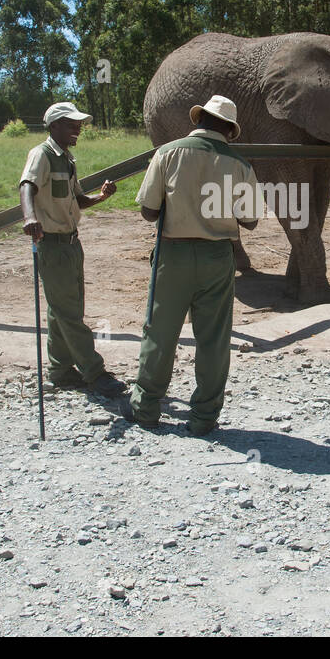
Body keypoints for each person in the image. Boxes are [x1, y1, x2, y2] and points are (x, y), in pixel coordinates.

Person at [126, 95, 260, 435]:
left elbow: (148, 211)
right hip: (217, 257)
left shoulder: (168, 153)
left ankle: (146, 408)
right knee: (214, 339)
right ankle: (203, 418)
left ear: (199, 119)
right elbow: (250, 221)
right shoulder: (241, 165)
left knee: (159, 332)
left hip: (173, 255)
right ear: (229, 129)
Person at [20, 102, 127, 398]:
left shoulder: (66, 159)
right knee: (68, 312)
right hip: (51, 246)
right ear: (54, 126)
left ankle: (60, 370)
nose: (77, 128)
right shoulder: (41, 155)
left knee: (62, 311)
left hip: (71, 244)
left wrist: (102, 197)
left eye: (79, 124)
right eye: (71, 124)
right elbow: (27, 185)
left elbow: (77, 200)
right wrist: (30, 217)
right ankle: (95, 372)